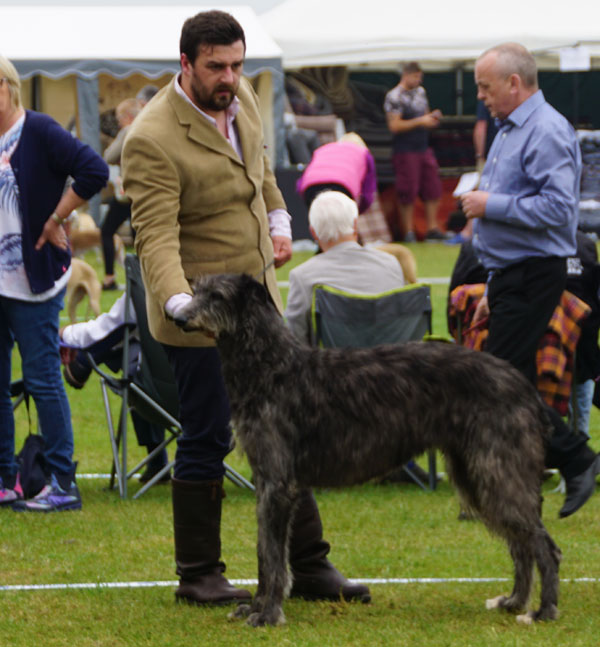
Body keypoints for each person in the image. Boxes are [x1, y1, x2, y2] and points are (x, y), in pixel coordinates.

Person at [121, 10, 370, 606]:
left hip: (260, 308)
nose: (229, 76)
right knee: (208, 433)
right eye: (216, 67)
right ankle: (199, 573)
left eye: (236, 63)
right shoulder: (152, 137)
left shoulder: (245, 99)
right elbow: (153, 235)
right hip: (200, 314)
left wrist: (280, 217)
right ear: (185, 64)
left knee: (289, 427)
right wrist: (183, 302)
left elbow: (259, 168)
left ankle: (310, 566)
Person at [460, 42, 599, 518]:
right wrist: (493, 288)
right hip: (512, 275)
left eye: (485, 86)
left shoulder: (545, 131)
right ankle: (536, 475)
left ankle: (575, 457)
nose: (481, 96)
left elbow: (560, 210)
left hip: (535, 274)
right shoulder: (509, 129)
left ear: (514, 84)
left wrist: (488, 205)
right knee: (507, 382)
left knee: (492, 382)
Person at [0, 56, 108, 511]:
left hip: (35, 279)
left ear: (8, 87)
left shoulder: (39, 129)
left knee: (43, 378)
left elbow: (95, 171)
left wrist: (57, 217)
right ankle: (7, 479)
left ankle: (62, 481)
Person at [60, 293, 169, 483]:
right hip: (212, 392)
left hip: (160, 391)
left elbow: (110, 327)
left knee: (134, 360)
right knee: (136, 350)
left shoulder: (149, 281)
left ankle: (84, 361)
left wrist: (66, 333)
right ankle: (158, 461)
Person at [285, 191, 405, 343]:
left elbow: (296, 338)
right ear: (355, 225)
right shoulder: (391, 264)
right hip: (388, 361)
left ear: (313, 233)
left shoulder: (302, 276)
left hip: (333, 364)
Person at [383, 61, 444, 242]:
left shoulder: (421, 92)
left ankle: (432, 228)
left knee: (432, 186)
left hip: (423, 146)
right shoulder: (394, 96)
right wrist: (421, 122)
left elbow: (424, 115)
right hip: (405, 149)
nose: (418, 80)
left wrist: (431, 118)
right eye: (415, 77)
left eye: (420, 77)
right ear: (406, 75)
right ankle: (408, 232)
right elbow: (394, 125)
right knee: (407, 190)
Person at [101, 98, 141, 291]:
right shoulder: (151, 127)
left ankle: (109, 277)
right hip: (145, 193)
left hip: (127, 194)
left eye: (119, 118)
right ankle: (144, 276)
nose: (118, 123)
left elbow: (109, 156)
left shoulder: (127, 131)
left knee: (107, 231)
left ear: (128, 117)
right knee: (140, 235)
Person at [296, 133, 377, 213]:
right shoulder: (365, 153)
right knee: (343, 222)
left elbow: (300, 183)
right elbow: (367, 194)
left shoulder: (322, 150)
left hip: (311, 187)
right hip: (343, 187)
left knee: (318, 220)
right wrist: (357, 211)